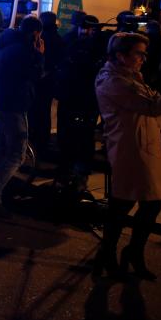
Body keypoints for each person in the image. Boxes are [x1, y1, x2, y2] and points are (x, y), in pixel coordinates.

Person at [94, 32, 161, 280]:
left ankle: (132, 251)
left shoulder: (130, 76)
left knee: (150, 202)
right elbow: (153, 106)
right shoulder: (112, 81)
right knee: (123, 204)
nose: (143, 59)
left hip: (144, 147)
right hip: (129, 149)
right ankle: (109, 252)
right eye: (138, 54)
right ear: (120, 55)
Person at [0, 15, 44, 218]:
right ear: (35, 33)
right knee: (17, 154)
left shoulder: (3, 45)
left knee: (2, 150)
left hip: (2, 101)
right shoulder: (23, 51)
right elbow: (34, 75)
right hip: (15, 105)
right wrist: (39, 55)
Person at [55, 14, 103, 196]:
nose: (86, 32)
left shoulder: (97, 47)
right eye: (84, 28)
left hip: (86, 101)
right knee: (67, 137)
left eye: (90, 29)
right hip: (71, 98)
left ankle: (79, 176)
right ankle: (65, 174)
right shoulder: (70, 43)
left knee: (84, 138)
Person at [28, 11, 65, 157]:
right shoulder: (59, 39)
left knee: (34, 112)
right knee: (45, 113)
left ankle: (32, 142)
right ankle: (43, 143)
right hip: (50, 82)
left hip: (39, 81)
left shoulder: (40, 39)